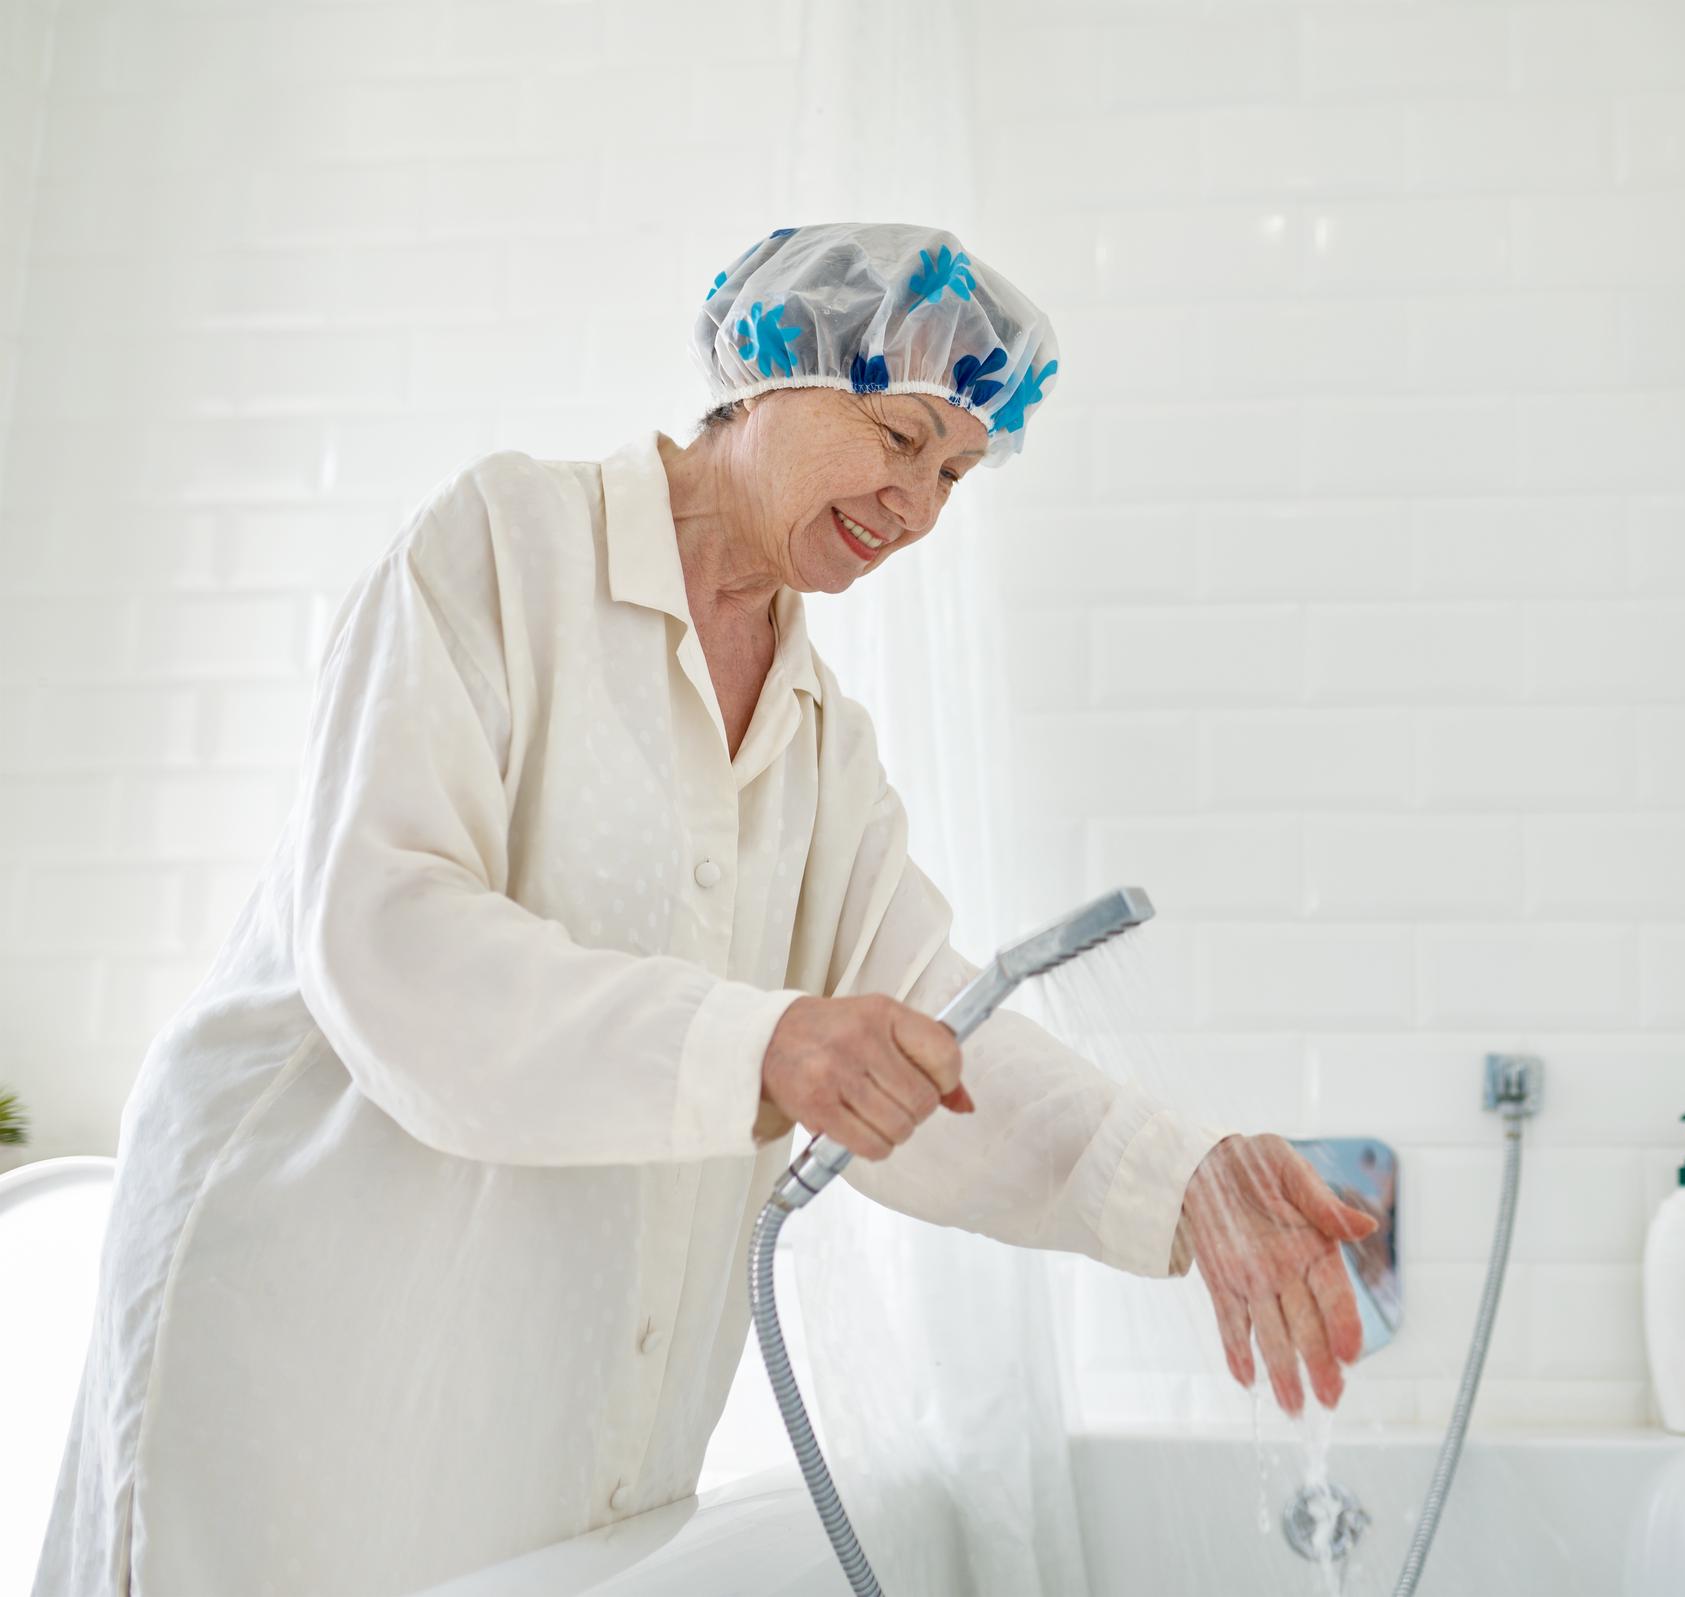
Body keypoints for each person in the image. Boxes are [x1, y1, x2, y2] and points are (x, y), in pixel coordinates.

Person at [36, 221, 1377, 1597]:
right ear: (769, 370)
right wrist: (766, 1046)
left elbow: (936, 1041)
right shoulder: (505, 549)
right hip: (305, 1346)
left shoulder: (816, 740)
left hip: (549, 1426)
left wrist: (1184, 1182)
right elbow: (389, 937)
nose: (918, 505)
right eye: (901, 436)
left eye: (959, 474)